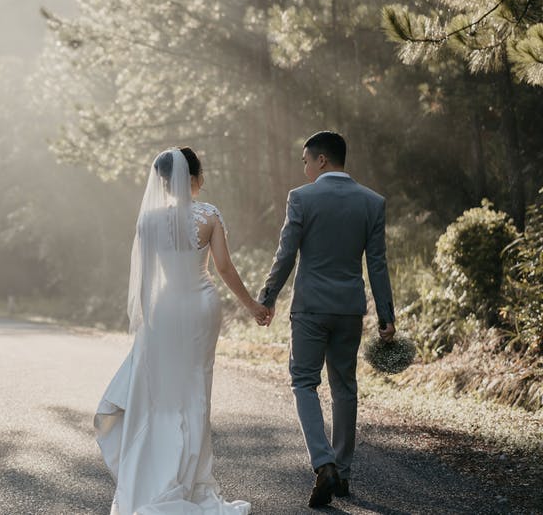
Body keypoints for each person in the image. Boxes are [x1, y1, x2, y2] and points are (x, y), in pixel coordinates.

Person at [95, 147, 267, 515]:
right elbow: (223, 267)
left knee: (164, 393)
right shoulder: (209, 215)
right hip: (201, 307)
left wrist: (145, 320)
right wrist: (252, 305)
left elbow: (143, 280)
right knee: (196, 390)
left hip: (165, 309)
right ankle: (191, 477)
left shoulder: (148, 220)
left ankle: (162, 470)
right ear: (194, 179)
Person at [258, 131, 395, 508]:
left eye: (305, 160)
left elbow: (286, 254)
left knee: (304, 382)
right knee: (344, 386)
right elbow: (377, 263)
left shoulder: (302, 198)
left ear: (321, 160)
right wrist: (387, 314)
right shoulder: (372, 202)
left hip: (311, 307)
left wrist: (267, 297)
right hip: (350, 308)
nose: (303, 168)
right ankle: (344, 472)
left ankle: (323, 463)